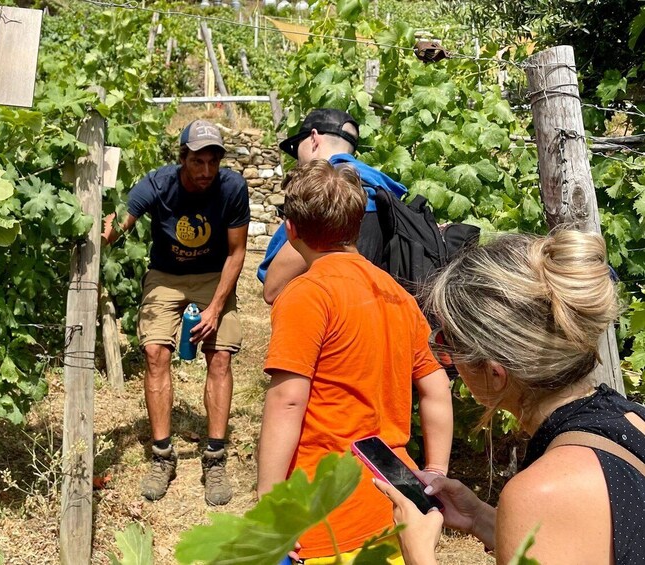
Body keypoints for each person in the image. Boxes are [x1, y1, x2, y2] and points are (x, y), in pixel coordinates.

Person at [375, 230, 645, 564]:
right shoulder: (632, 419)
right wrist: (480, 518)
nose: (446, 359)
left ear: (494, 372)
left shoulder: (542, 493)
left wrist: (417, 553)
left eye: (447, 343)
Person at [256, 160, 453, 563]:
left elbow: (287, 401)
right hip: (395, 503)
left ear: (290, 231)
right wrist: (434, 471)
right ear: (357, 226)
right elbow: (436, 388)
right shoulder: (398, 294)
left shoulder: (307, 294)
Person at [102, 119, 249, 506]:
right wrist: (103, 231)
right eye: (197, 162)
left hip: (215, 276)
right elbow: (122, 221)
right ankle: (162, 456)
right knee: (155, 353)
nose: (205, 172)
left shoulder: (232, 188)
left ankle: (214, 457)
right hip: (166, 275)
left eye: (212, 163)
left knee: (220, 357)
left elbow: (237, 253)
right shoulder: (159, 184)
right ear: (182, 158)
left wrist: (216, 307)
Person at [258, 108, 408, 304]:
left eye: (297, 148)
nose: (297, 161)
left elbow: (273, 289)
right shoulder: (381, 191)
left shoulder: (327, 197)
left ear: (313, 138)